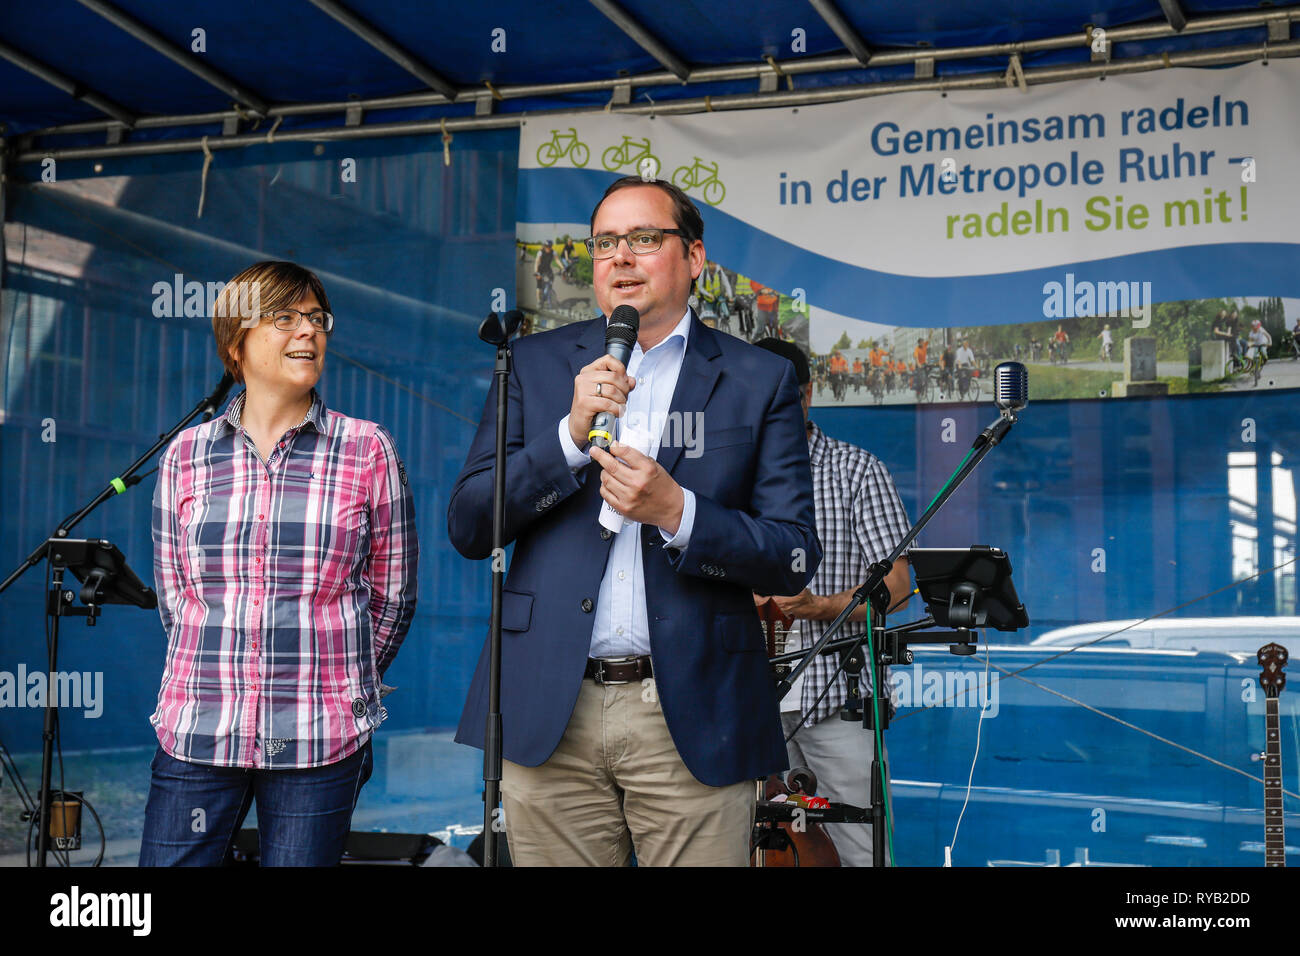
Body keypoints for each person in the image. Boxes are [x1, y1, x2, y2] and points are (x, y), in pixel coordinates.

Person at [448, 176, 821, 867]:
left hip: (694, 709)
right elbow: (472, 525)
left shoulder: (754, 380)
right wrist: (565, 436)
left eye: (645, 239)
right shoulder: (530, 366)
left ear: (695, 257)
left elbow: (793, 554)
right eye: (604, 244)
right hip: (550, 707)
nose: (621, 257)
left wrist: (679, 513)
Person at [141, 261, 418, 866]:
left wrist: (341, 687)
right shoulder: (187, 454)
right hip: (201, 727)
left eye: (317, 319)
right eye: (285, 317)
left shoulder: (367, 449)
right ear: (236, 343)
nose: (309, 332)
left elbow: (393, 597)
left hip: (320, 736)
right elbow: (176, 595)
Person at [752, 338, 912, 866]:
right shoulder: (726, 478)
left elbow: (899, 585)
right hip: (744, 701)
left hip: (835, 698)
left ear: (808, 396)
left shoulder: (856, 470)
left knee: (862, 849)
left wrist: (820, 606)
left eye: (785, 400)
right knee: (745, 847)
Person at [534, 239, 557, 308]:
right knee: (539, 287)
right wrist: (536, 272)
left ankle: (548, 296)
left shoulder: (553, 252)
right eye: (547, 246)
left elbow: (557, 260)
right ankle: (538, 301)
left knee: (550, 284)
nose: (548, 248)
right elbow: (536, 262)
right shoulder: (540, 252)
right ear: (544, 246)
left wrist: (563, 268)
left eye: (549, 246)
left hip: (548, 270)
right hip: (540, 271)